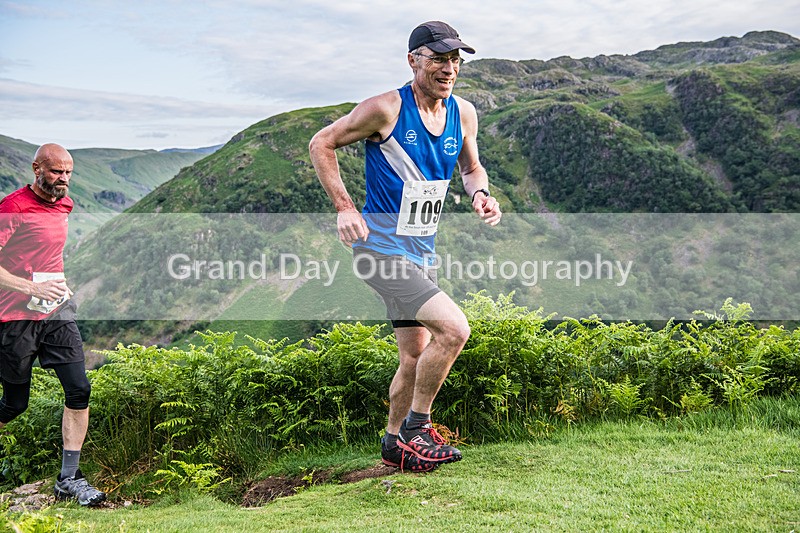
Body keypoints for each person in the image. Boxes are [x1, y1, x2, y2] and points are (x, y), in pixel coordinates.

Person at [310, 21, 502, 472]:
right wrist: (345, 206)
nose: (449, 68)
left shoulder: (464, 113)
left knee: (415, 356)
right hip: (378, 250)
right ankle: (419, 425)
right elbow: (322, 142)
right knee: (454, 330)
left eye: (455, 59)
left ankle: (395, 443)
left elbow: (473, 169)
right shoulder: (386, 109)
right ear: (413, 60)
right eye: (438, 58)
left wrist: (479, 195)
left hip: (420, 250)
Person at [0, 143, 106, 506]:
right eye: (56, 172)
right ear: (36, 169)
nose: (63, 180)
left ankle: (68, 478)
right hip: (15, 318)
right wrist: (32, 286)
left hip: (56, 312)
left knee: (79, 390)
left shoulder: (65, 204)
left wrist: (56, 282)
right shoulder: (12, 207)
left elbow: (45, 252)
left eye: (69, 173)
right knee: (14, 405)